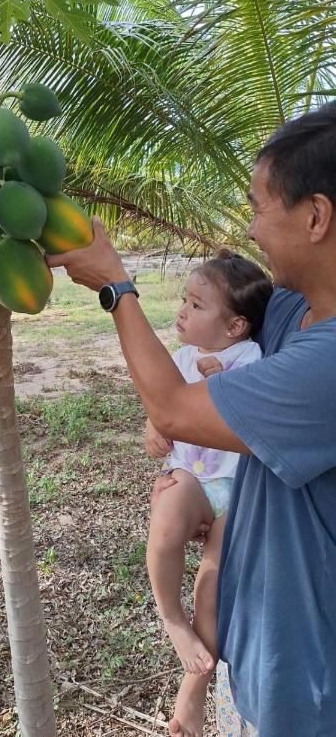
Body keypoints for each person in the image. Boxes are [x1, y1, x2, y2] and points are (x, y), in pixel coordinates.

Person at [46, 101, 336, 737]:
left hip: (310, 697)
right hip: (267, 664)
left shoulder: (329, 363)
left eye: (261, 208)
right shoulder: (296, 313)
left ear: (316, 216)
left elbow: (173, 410)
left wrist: (116, 288)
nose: (253, 232)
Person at [147, 254, 272, 731]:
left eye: (195, 305)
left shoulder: (251, 357)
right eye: (184, 300)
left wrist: (223, 378)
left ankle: (193, 689)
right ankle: (171, 618)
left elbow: (247, 396)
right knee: (164, 529)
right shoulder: (178, 360)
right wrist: (152, 431)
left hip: (237, 490)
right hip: (194, 481)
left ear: (236, 324)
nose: (181, 312)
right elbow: (163, 410)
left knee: (213, 587)